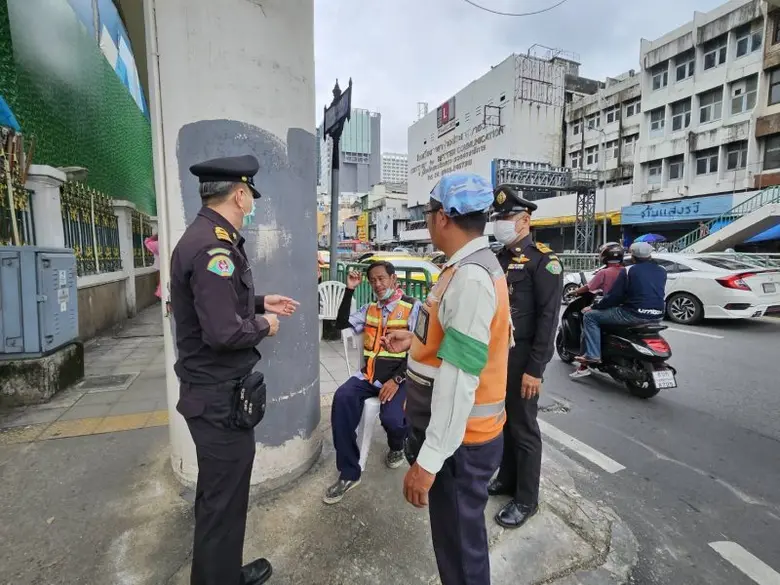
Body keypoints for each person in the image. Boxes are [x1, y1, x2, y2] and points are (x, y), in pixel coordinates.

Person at [170, 154, 299, 585]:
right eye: (250, 196)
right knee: (222, 502)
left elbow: (219, 302)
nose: (251, 205)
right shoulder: (213, 247)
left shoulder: (208, 237)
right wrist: (266, 323)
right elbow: (224, 332)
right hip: (217, 398)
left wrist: (263, 301)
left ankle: (221, 573)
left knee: (218, 498)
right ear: (240, 194)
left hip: (212, 393)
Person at [382, 172, 511, 585]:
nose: (427, 218)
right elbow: (458, 341)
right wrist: (414, 341)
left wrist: (430, 460)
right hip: (461, 437)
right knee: (455, 543)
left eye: (428, 211)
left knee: (460, 551)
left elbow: (460, 377)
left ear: (443, 218)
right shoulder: (463, 269)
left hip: (462, 443)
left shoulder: (471, 278)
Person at [487, 185, 563, 529]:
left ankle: (527, 499)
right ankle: (506, 479)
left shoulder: (543, 261)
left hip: (523, 362)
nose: (500, 222)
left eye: (506, 217)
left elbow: (548, 319)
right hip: (499, 357)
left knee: (524, 428)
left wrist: (536, 369)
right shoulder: (500, 258)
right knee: (504, 423)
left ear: (525, 220)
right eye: (497, 217)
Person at [323, 261, 422, 504]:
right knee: (342, 398)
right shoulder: (370, 308)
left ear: (393, 279)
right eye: (372, 280)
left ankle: (398, 444)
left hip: (401, 377)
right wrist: (349, 290)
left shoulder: (412, 307)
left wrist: (397, 380)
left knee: (393, 421)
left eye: (381, 279)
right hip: (368, 376)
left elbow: (420, 349)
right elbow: (340, 325)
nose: (377, 284)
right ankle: (349, 472)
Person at [575, 241, 667, 370]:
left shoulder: (628, 270)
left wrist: (595, 307)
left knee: (590, 317)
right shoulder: (662, 270)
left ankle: (593, 354)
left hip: (633, 314)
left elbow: (615, 296)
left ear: (632, 256)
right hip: (658, 315)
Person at [570, 243, 626, 378]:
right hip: (628, 309)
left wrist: (575, 292)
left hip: (612, 308)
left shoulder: (604, 272)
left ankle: (587, 362)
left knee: (587, 317)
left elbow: (589, 287)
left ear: (604, 257)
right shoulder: (627, 271)